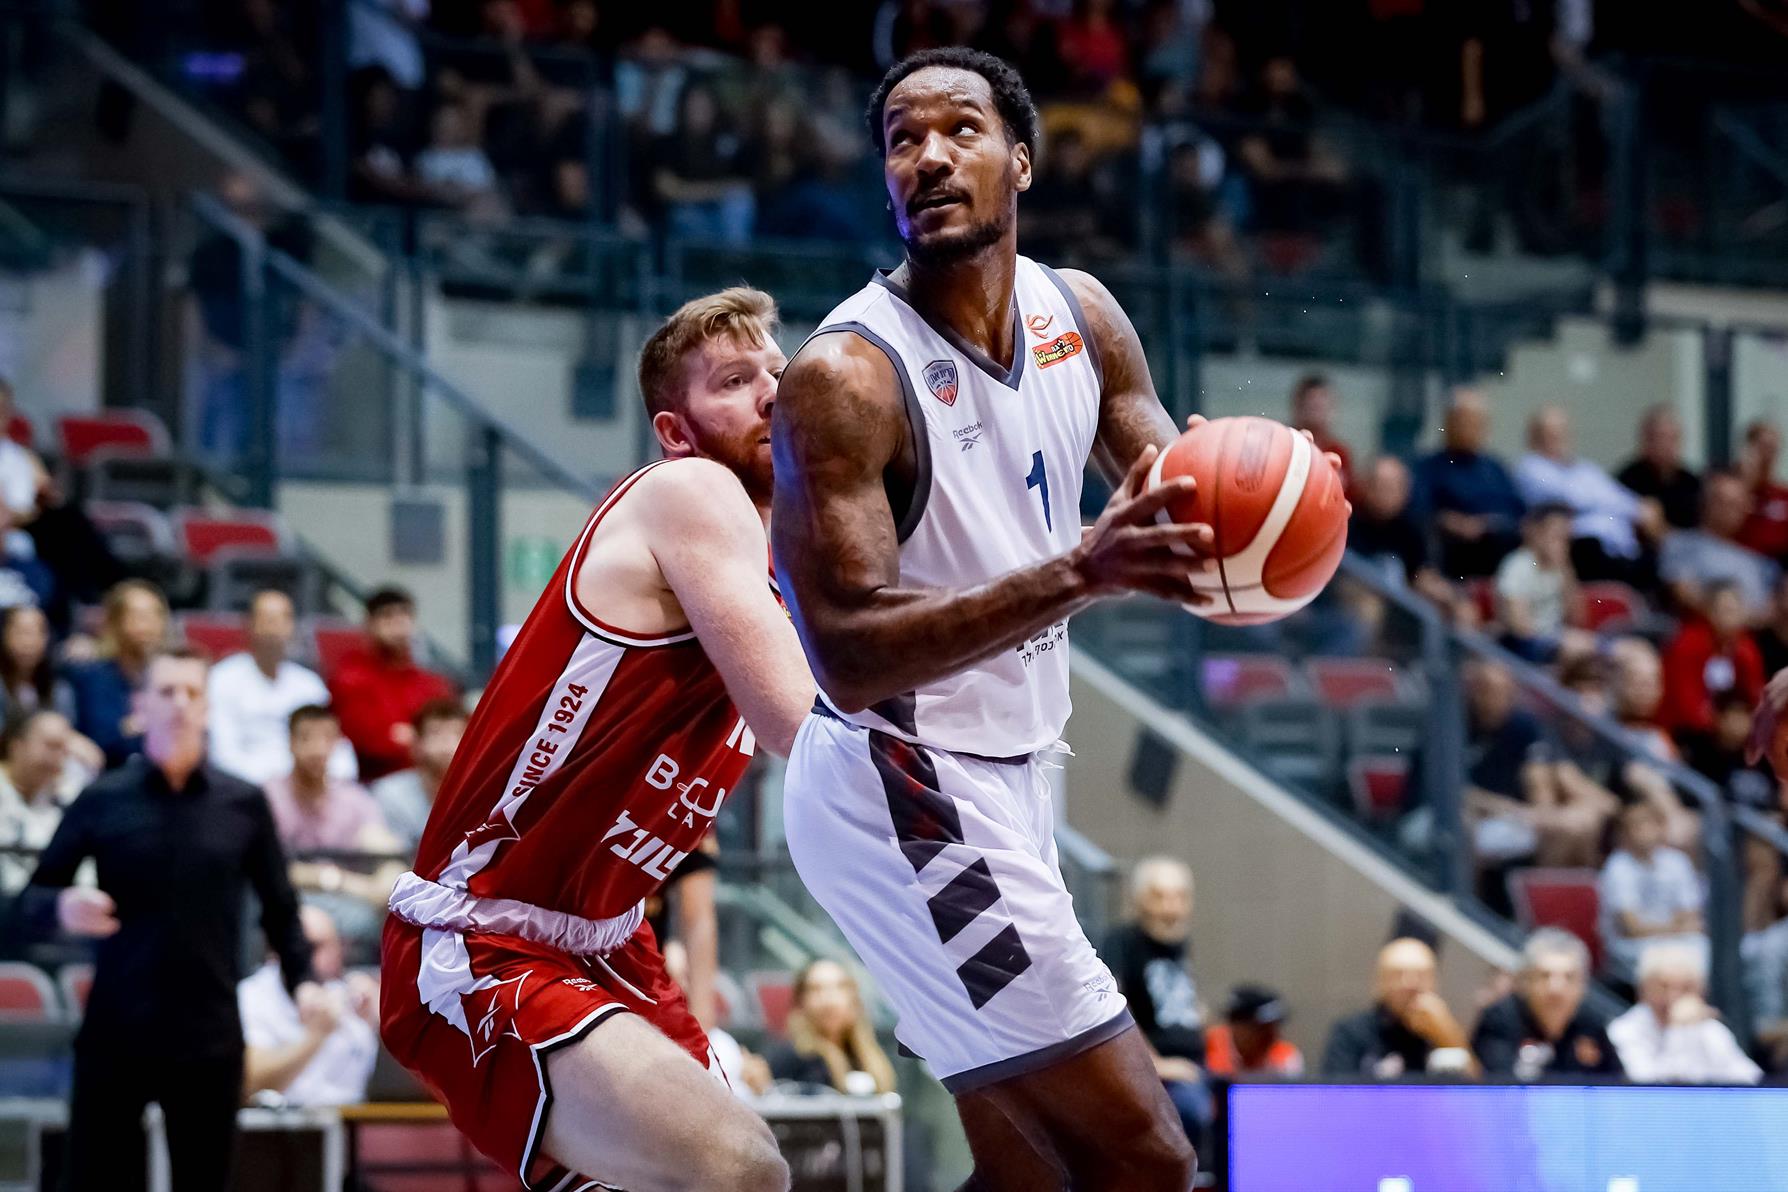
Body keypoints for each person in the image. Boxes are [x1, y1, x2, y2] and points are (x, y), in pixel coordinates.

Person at [773, 47, 1257, 1190]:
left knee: (1032, 1172)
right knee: (1149, 1160)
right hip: (903, 781)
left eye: (961, 130)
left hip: (1018, 770)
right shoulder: (848, 376)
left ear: (1022, 162)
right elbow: (845, 654)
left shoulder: (1080, 313)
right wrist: (1078, 571)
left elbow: (1181, 513)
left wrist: (1272, 514)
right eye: (902, 139)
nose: (929, 157)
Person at [380, 287, 812, 1192]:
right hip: (481, 937)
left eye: (779, 368)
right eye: (735, 380)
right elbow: (800, 726)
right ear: (676, 433)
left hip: (613, 942)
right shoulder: (691, 492)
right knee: (740, 1171)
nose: (775, 390)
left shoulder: (781, 554)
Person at [18, 645, 315, 1191]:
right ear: (141, 706)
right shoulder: (103, 799)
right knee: (92, 1181)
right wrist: (60, 906)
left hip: (210, 1033)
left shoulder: (243, 802)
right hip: (117, 1029)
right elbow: (30, 899)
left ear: (207, 707)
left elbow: (281, 908)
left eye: (192, 692)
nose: (180, 703)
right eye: (166, 691)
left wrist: (304, 982)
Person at [266, 705, 403, 950]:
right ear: (290, 742)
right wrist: (337, 880)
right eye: (307, 738)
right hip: (293, 901)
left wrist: (386, 883)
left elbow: (385, 852)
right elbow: (270, 867)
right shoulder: (269, 797)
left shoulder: (353, 797)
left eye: (326, 738)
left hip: (350, 905)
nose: (317, 749)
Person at [1101, 858, 1212, 1155]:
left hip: (1196, 1067)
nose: (1171, 909)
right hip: (1158, 1074)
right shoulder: (1123, 941)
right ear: (1139, 901)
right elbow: (1112, 1006)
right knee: (1192, 1111)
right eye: (1159, 897)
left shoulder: (1177, 945)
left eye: (1180, 898)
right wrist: (1157, 1063)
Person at [207, 589, 356, 786]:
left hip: (310, 788)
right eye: (268, 619)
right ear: (248, 625)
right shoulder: (222, 678)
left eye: (283, 619)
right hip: (248, 790)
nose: (275, 628)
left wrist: (322, 780)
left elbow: (339, 751)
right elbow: (223, 757)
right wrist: (281, 786)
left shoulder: (309, 684)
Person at [240, 904, 381, 1106]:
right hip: (279, 1122)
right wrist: (316, 1036)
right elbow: (251, 1082)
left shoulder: (353, 993)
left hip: (352, 1117)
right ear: (276, 951)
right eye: (303, 947)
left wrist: (383, 1021)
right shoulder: (252, 996)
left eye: (320, 946)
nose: (307, 958)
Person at [1513, 406, 1662, 585]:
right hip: (1578, 546)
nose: (1558, 439)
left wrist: (1640, 508)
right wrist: (1628, 508)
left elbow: (1621, 497)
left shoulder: (1585, 468)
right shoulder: (1531, 467)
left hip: (1618, 547)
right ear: (1534, 438)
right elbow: (1574, 498)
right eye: (1550, 434)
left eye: (1562, 433)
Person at [327, 587, 456, 781]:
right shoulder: (349, 678)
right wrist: (422, 739)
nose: (397, 624)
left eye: (404, 615)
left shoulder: (432, 683)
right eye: (387, 616)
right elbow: (367, 740)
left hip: (432, 781)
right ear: (369, 624)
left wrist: (408, 736)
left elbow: (453, 734)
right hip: (373, 783)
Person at [1472, 928, 1624, 1079]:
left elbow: (1619, 1083)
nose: (1556, 989)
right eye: (1545, 976)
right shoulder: (1500, 1018)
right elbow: (1498, 1083)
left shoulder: (1591, 1024)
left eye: (1569, 977)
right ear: (1526, 982)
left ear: (1582, 986)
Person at [1607, 941, 1761, 1084]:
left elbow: (1749, 1078)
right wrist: (1678, 1029)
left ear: (1701, 991)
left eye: (1686, 988)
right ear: (1643, 990)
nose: (1674, 997)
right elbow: (1647, 1083)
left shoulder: (1710, 1028)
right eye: (1664, 987)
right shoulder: (1624, 1029)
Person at [1321, 938, 1476, 1077]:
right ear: (1380, 982)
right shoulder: (1351, 1032)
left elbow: (1479, 1088)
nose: (1411, 983)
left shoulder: (1442, 1031)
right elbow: (1337, 1092)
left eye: (1421, 974)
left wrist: (1447, 1035)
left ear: (1435, 981)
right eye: (1398, 974)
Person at [1413, 388, 1525, 579]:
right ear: (1448, 423)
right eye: (1463, 421)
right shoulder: (1428, 467)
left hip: (1498, 554)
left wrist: (1488, 523)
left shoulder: (1496, 469)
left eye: (1476, 423)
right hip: (1452, 554)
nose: (1469, 429)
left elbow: (1518, 512)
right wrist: (1454, 522)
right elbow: (1421, 510)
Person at [63, 579, 169, 767]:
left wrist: (132, 726)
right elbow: (101, 738)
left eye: (155, 616)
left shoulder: (171, 677)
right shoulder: (93, 677)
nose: (148, 626)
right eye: (139, 616)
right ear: (115, 622)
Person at [1599, 801, 1708, 974]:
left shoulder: (1677, 861)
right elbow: (1632, 928)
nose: (1645, 831)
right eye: (1638, 826)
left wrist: (1668, 929)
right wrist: (1675, 928)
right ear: (1624, 833)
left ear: (1662, 828)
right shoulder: (1617, 866)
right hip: (1632, 945)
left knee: (1705, 950)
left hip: (1676, 939)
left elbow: (1691, 915)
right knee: (1667, 963)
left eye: (1651, 824)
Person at [765, 958, 898, 1095]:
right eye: (815, 989)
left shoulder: (868, 1057)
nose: (828, 1000)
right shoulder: (793, 1059)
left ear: (854, 998)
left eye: (839, 987)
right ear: (801, 1002)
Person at [1659, 471, 1779, 620]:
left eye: (1737, 504)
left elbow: (1765, 613)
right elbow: (1683, 594)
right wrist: (1730, 616)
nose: (1730, 511)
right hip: (1697, 629)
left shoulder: (1755, 560)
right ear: (1705, 502)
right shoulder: (1679, 543)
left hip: (1746, 634)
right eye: (1723, 502)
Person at [1658, 580, 1765, 743]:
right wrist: (1717, 724)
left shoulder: (1747, 649)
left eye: (1733, 611)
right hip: (1683, 731)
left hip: (1730, 730)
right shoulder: (1687, 644)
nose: (1727, 617)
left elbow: (1755, 695)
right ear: (1708, 611)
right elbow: (1683, 702)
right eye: (1721, 610)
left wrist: (1746, 721)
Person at [370, 697, 467, 856]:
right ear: (416, 743)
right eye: (436, 733)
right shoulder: (389, 793)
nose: (447, 743)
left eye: (456, 734)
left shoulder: (484, 794)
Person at [0, 710, 82, 895]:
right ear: (16, 746)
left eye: (64, 750)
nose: (58, 759)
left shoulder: (66, 798)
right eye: (51, 746)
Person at [1492, 502, 1582, 662]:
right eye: (1556, 536)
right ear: (1536, 532)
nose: (1561, 544)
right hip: (1523, 646)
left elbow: (1577, 619)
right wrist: (1556, 641)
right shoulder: (1517, 565)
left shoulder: (1561, 568)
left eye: (1566, 539)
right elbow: (1519, 626)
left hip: (1556, 638)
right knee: (1576, 648)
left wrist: (1566, 569)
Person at [1618, 405, 1702, 532]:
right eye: (1658, 438)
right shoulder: (1626, 482)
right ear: (1645, 440)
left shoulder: (1692, 484)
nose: (1664, 445)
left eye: (1671, 438)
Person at [1204, 985, 1303, 1079]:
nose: (1272, 1036)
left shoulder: (1285, 1056)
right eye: (1261, 1029)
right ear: (1236, 1026)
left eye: (1274, 1027)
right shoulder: (1206, 1048)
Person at [1290, 374, 1352, 492]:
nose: (1317, 413)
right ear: (1298, 406)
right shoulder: (1286, 446)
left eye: (1322, 406)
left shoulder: (1340, 453)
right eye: (1312, 406)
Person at [1737, 420, 1788, 561]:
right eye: (1763, 447)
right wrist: (1747, 484)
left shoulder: (1783, 495)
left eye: (1773, 448)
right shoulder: (1732, 491)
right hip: (1741, 559)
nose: (1768, 455)